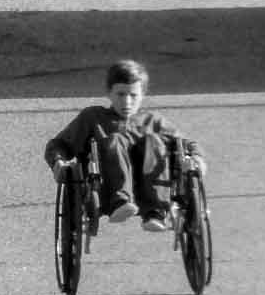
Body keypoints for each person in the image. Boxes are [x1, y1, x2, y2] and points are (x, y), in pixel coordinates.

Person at [44, 59, 204, 232]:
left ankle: (155, 211)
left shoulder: (153, 121)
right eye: (121, 94)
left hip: (149, 182)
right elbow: (58, 144)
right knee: (115, 140)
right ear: (109, 93)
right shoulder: (93, 117)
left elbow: (186, 144)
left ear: (142, 95)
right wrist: (58, 162)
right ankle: (120, 201)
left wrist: (195, 158)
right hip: (105, 187)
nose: (127, 102)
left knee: (155, 141)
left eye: (133, 95)